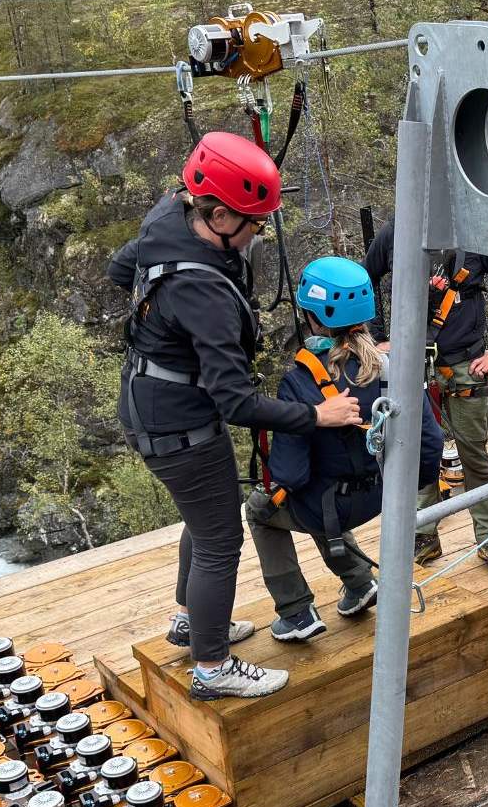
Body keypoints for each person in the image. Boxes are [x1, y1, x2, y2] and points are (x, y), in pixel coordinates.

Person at [111, 132, 358, 701]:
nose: (256, 234)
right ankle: (213, 665)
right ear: (218, 215)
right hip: (179, 424)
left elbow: (120, 269)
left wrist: (165, 331)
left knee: (205, 520)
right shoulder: (206, 294)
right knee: (221, 540)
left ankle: (193, 624)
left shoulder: (169, 214)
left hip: (151, 399)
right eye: (251, 222)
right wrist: (315, 416)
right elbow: (238, 403)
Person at [246, 257, 444, 641]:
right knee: (319, 493)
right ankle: (358, 584)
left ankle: (296, 612)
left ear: (311, 317)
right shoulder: (394, 369)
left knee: (260, 511)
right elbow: (431, 441)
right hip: (383, 493)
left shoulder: (300, 382)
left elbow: (291, 473)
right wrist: (403, 487)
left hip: (332, 506)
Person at [362, 217, 488, 577]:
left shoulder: (474, 232)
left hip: (466, 364)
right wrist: (379, 338)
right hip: (413, 365)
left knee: (473, 454)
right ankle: (423, 535)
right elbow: (365, 279)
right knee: (418, 451)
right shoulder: (396, 231)